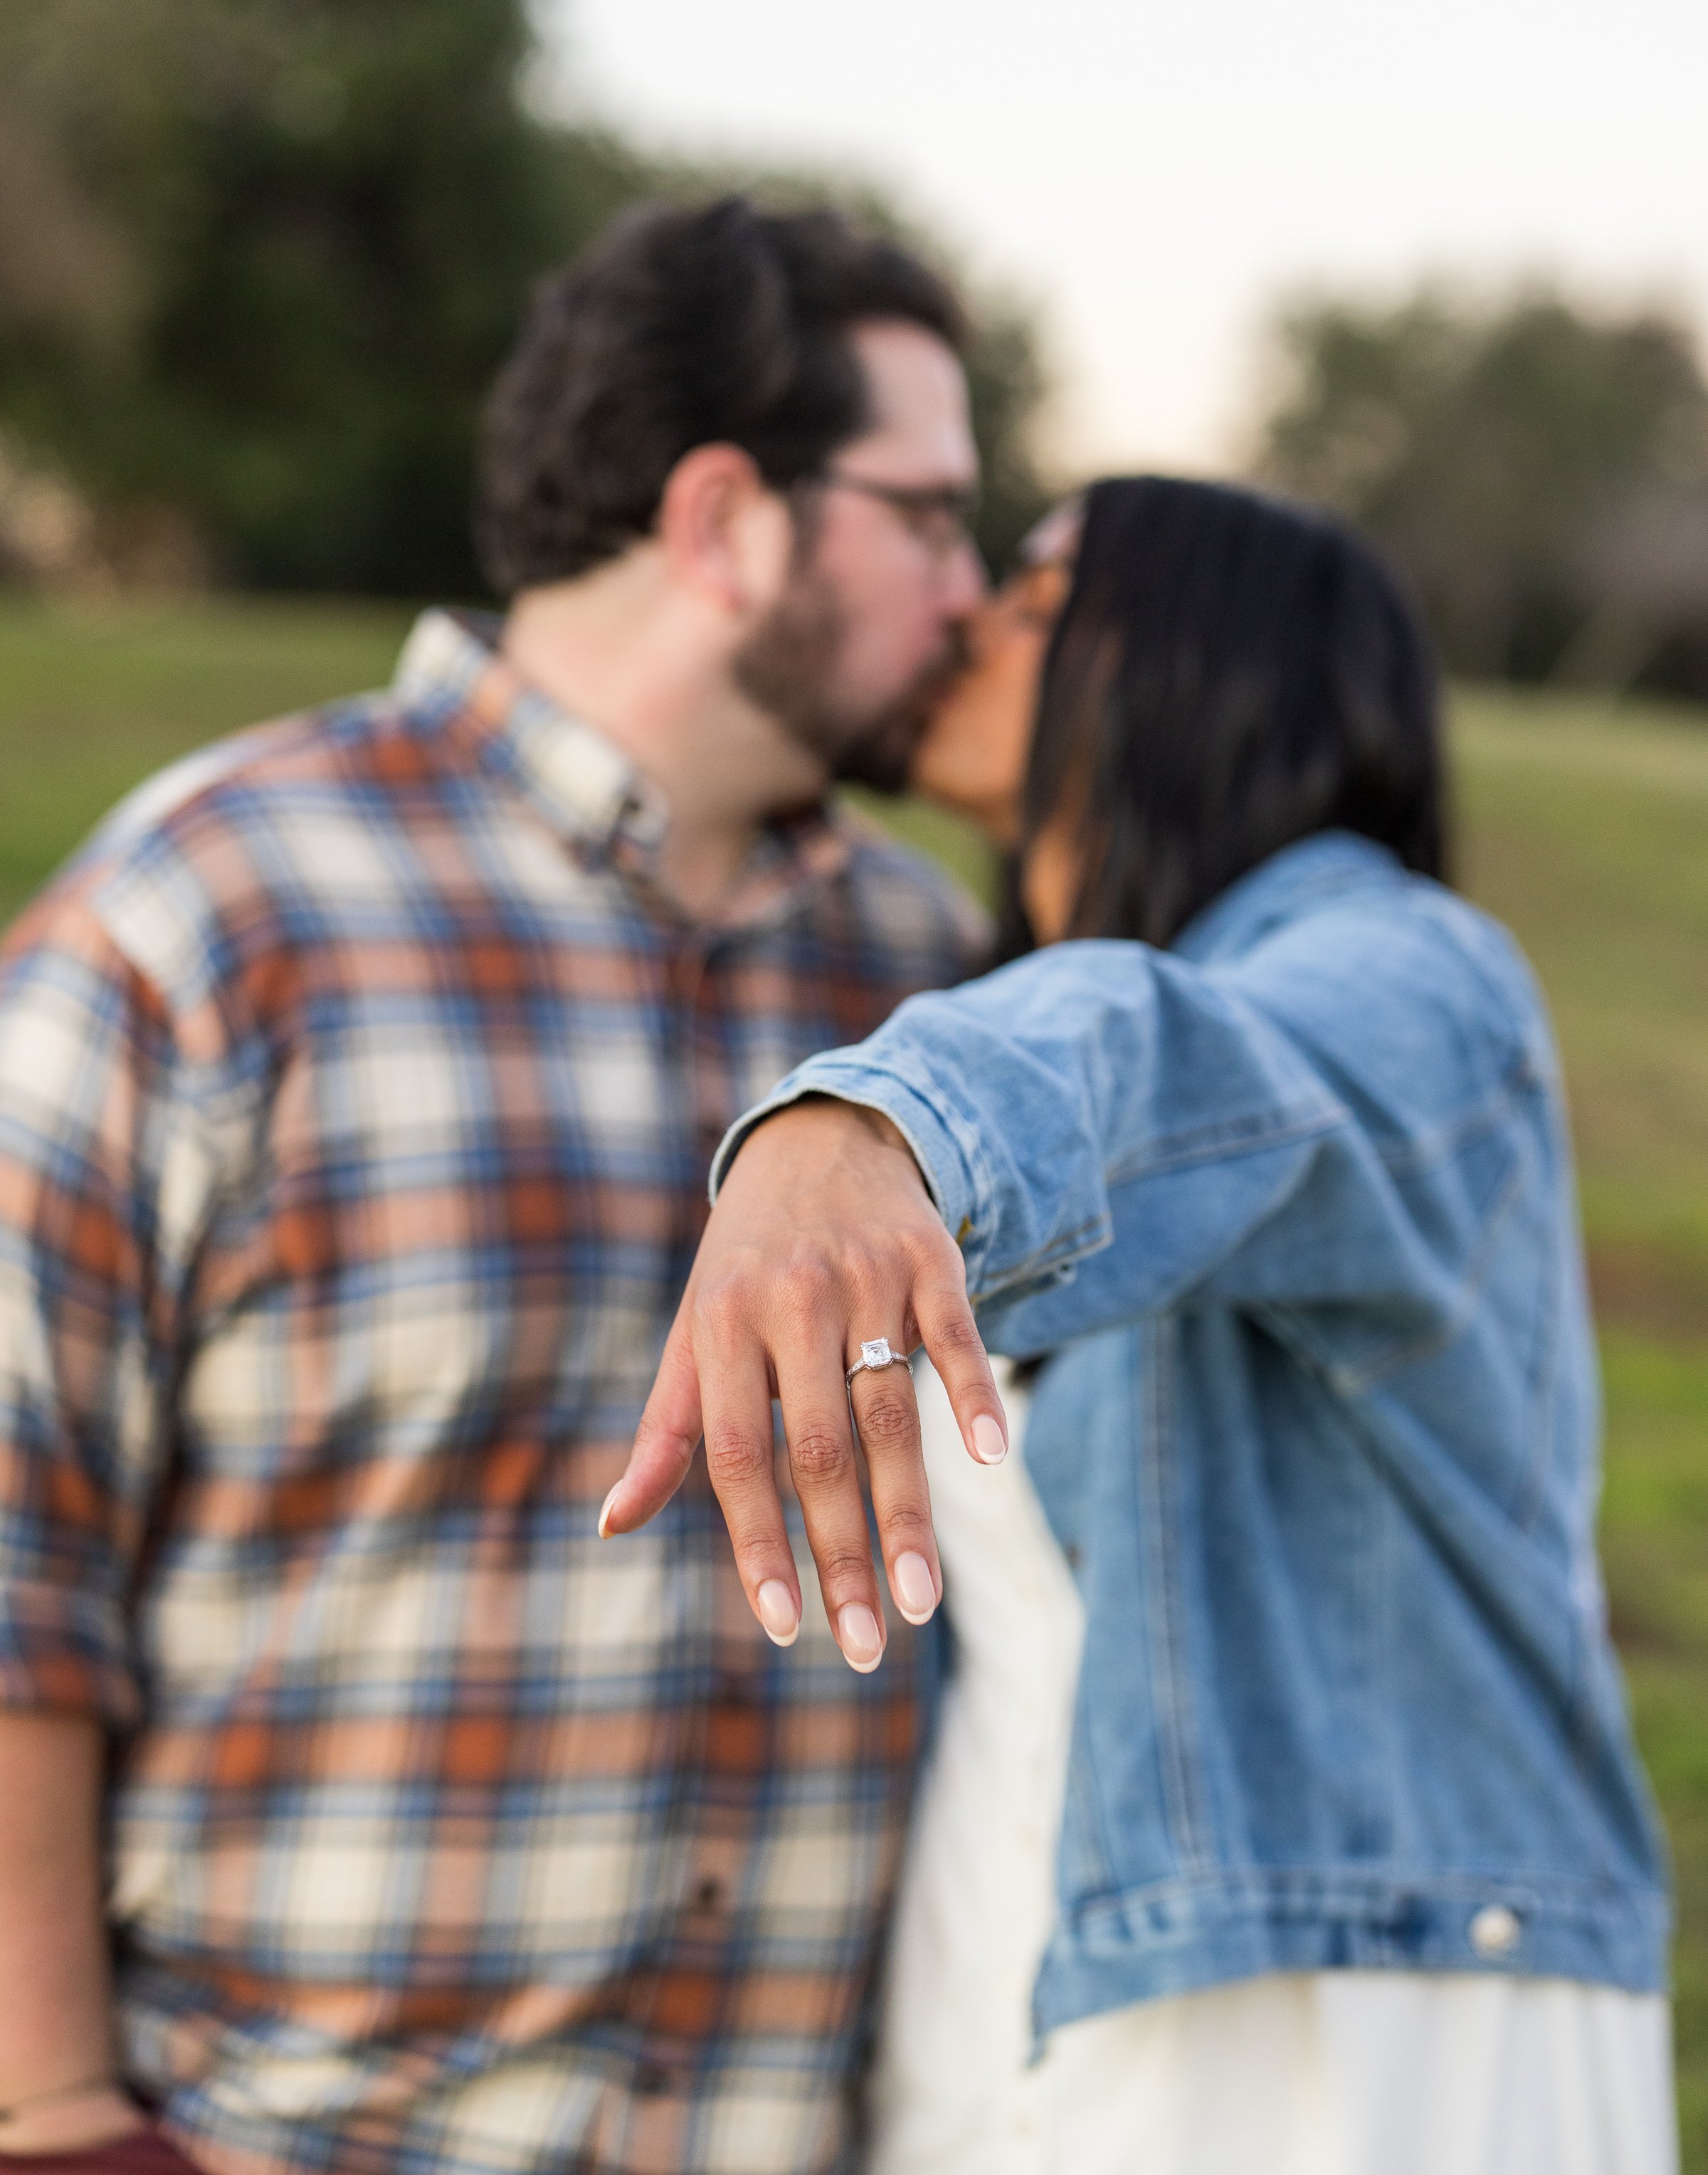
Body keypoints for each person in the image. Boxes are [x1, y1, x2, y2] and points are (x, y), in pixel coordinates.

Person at [0, 196, 991, 2175]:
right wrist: (53, 2115)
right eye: (934, 515)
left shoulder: (943, 984)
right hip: (273, 2133)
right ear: (729, 516)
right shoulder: (208, 911)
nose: (972, 590)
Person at [605, 477, 1677, 2174]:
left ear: (1193, 658)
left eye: (1029, 592)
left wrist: (875, 1126)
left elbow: (1174, 1055)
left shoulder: (1407, 972)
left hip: (1346, 2026)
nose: (960, 615)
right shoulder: (1006, 961)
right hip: (1013, 2008)